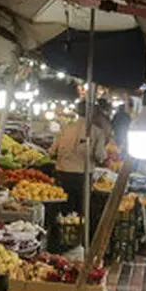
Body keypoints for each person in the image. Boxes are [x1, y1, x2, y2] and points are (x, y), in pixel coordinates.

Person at [47, 99, 107, 251]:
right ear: (92, 113)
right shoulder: (96, 132)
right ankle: (79, 245)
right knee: (81, 212)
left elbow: (52, 151)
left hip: (62, 175)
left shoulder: (65, 129)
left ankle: (60, 244)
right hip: (82, 177)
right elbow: (100, 156)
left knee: (62, 211)